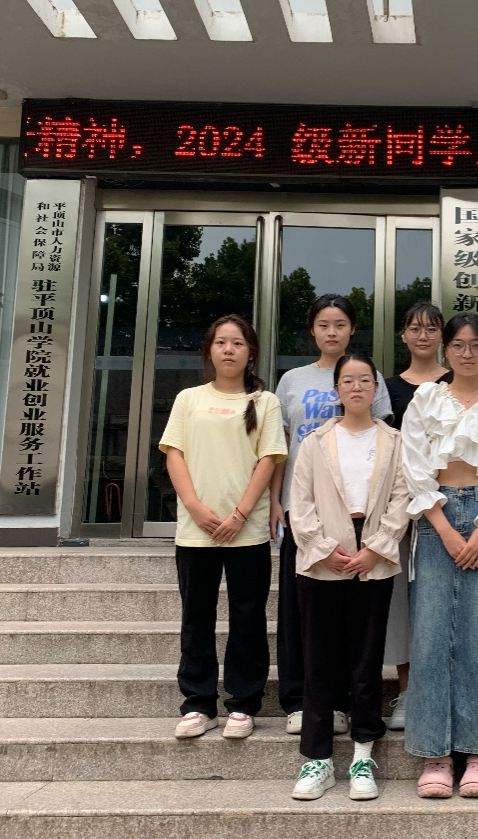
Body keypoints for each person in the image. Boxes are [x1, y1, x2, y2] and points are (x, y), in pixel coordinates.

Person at [400, 312, 478, 800]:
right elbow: (414, 466)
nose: (466, 353)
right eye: (458, 345)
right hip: (436, 515)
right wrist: (445, 529)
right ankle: (433, 753)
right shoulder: (425, 399)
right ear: (445, 350)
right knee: (431, 634)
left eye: (476, 345)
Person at [287, 353, 412, 802]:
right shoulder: (316, 441)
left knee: (366, 660)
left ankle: (363, 754)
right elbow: (300, 502)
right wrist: (324, 549)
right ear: (336, 389)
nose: (356, 387)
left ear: (376, 389)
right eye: (348, 380)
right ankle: (317, 759)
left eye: (365, 380)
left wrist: (376, 547)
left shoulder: (394, 441)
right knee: (320, 661)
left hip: (372, 550)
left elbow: (403, 497)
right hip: (324, 554)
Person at [270, 294, 393, 737]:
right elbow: (282, 444)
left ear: (352, 329)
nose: (332, 332)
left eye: (340, 324)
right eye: (323, 324)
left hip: (357, 514)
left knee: (349, 619)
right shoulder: (292, 380)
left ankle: (343, 703)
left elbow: (382, 444)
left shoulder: (369, 376)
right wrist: (275, 498)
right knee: (299, 611)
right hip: (304, 509)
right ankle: (299, 700)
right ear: (312, 330)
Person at [160, 314, 287, 740]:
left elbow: (269, 459)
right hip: (195, 531)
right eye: (220, 342)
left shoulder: (265, 402)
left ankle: (243, 704)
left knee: (247, 618)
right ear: (209, 350)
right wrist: (195, 508)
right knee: (196, 618)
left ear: (251, 353)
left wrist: (240, 514)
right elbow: (174, 454)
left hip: (246, 532)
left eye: (237, 343)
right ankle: (198, 704)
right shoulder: (188, 399)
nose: (229, 349)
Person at [381, 302, 449, 731]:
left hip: (450, 506)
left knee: (443, 602)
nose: (422, 336)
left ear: (442, 335)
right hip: (400, 509)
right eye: (414, 328)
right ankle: (407, 692)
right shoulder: (387, 388)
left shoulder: (456, 382)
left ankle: (445, 687)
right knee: (404, 605)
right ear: (403, 335)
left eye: (431, 328)